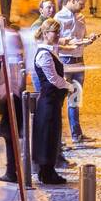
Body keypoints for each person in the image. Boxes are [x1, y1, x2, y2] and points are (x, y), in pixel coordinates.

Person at [32, 20, 72, 185]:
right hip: (48, 101)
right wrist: (71, 86)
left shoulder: (49, 50)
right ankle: (47, 173)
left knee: (51, 135)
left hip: (52, 101)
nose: (58, 35)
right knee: (48, 135)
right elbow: (53, 79)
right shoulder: (43, 54)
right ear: (46, 33)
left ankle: (47, 171)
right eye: (55, 32)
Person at [54, 0, 97, 144]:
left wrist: (88, 39)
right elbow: (54, 41)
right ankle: (57, 137)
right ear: (72, 0)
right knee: (59, 101)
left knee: (75, 100)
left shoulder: (81, 17)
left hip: (79, 62)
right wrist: (67, 43)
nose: (83, 7)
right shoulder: (58, 17)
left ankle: (76, 134)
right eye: (81, 3)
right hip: (65, 62)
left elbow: (82, 37)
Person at [0, 23, 27, 183]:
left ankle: (11, 171)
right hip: (14, 96)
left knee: (10, 135)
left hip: (12, 97)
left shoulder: (11, 57)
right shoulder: (17, 54)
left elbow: (12, 81)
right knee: (11, 135)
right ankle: (11, 170)